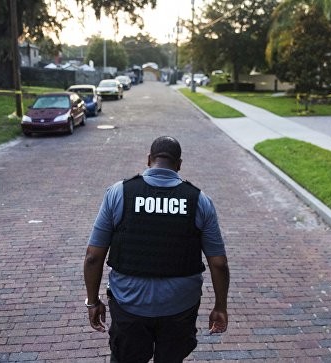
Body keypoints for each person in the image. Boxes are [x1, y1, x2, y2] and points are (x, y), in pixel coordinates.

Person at [83, 136, 230, 363]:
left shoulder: (119, 193)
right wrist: (220, 306)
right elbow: (219, 263)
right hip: (180, 306)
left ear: (149, 159)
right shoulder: (199, 200)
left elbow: (93, 257)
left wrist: (93, 302)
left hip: (129, 304)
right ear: (179, 164)